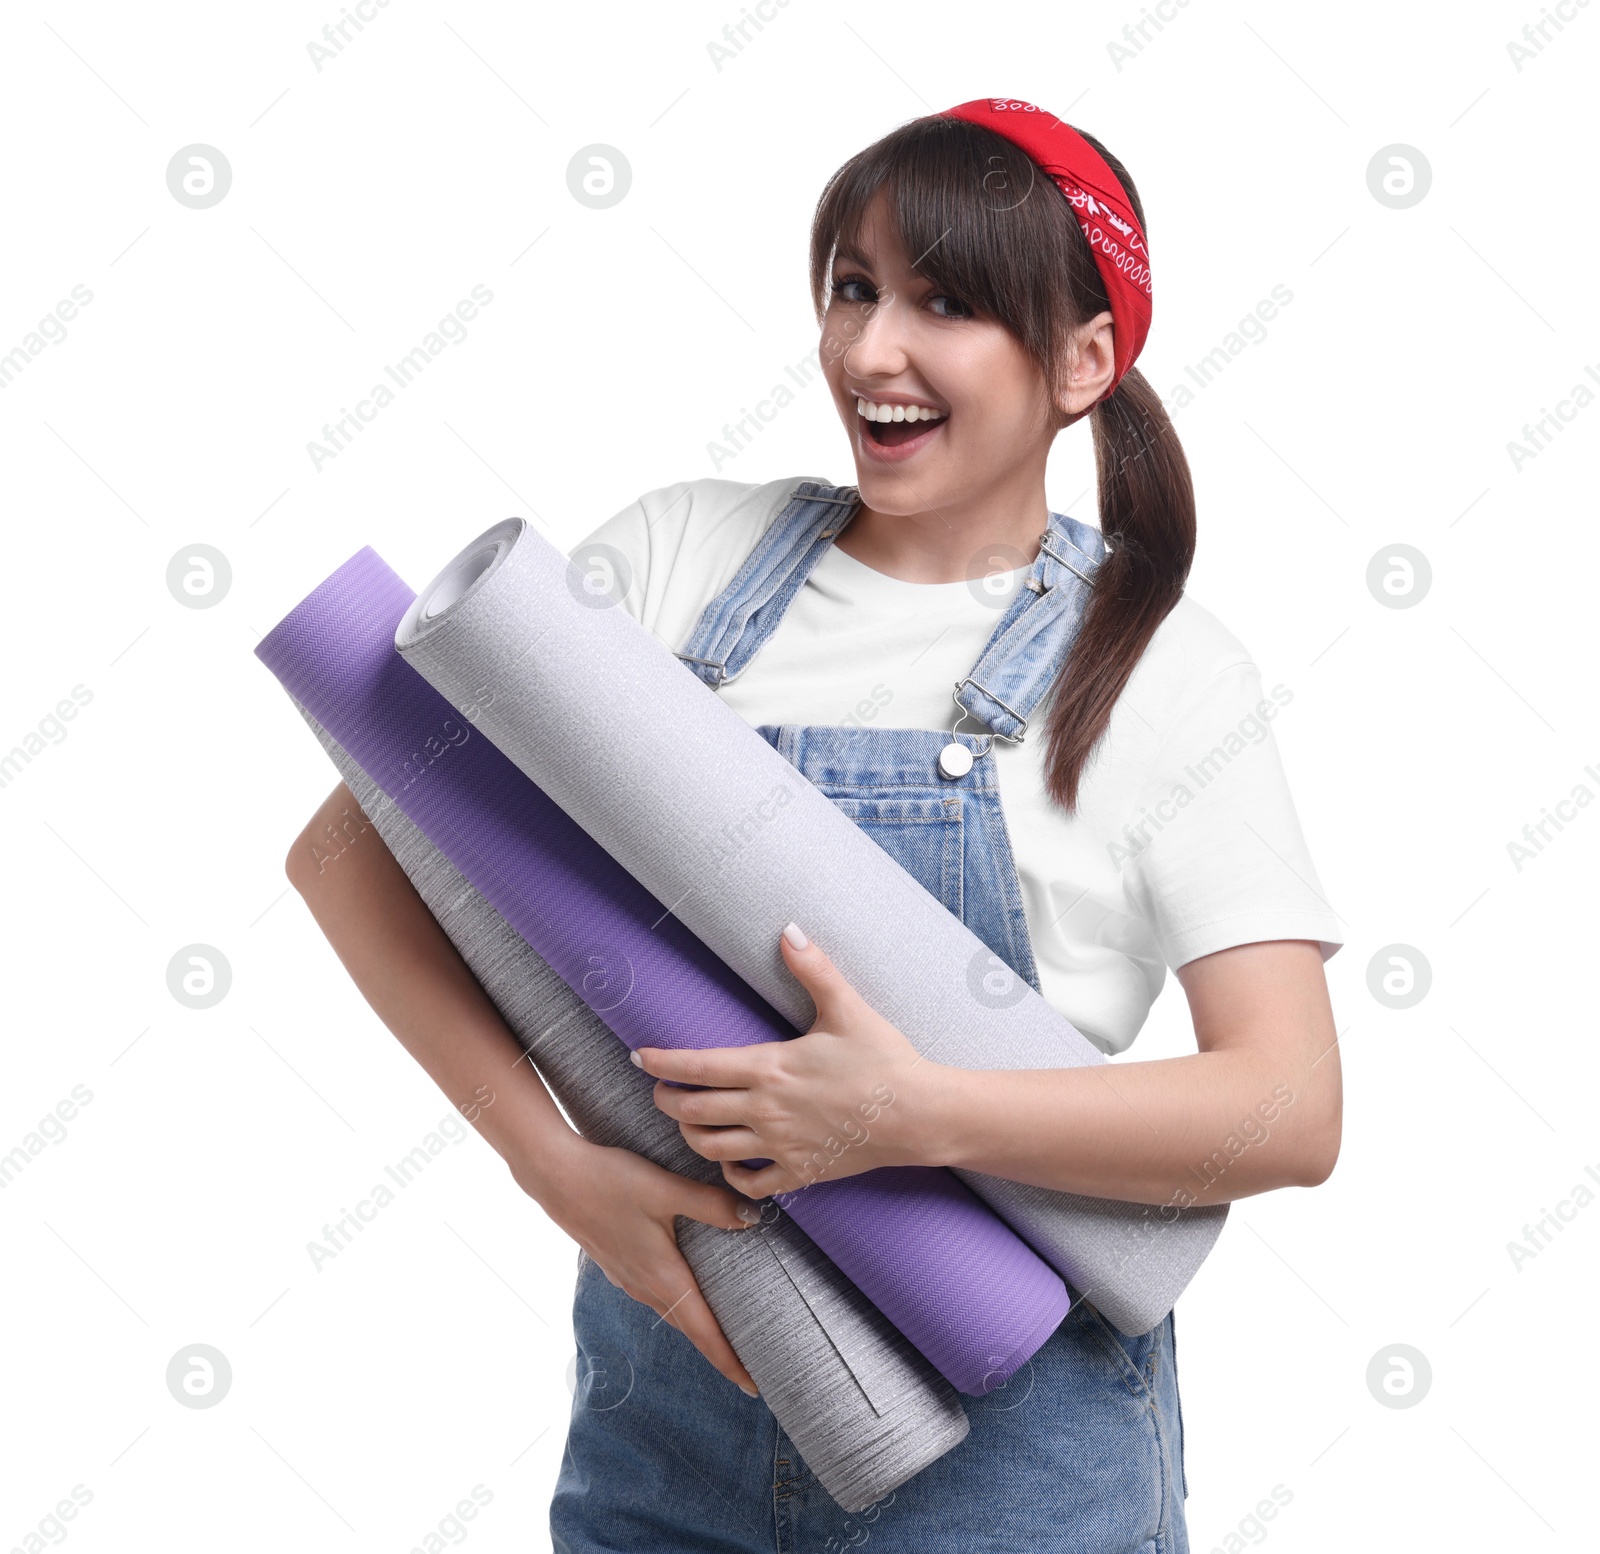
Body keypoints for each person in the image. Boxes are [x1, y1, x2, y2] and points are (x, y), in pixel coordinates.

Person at [287, 99, 1343, 1553]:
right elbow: (355, 847)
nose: (868, 351)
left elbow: (1290, 1105)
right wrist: (552, 1164)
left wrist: (915, 1113)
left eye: (947, 303)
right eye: (853, 287)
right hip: (671, 1417)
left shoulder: (1160, 666)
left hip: (1018, 1459)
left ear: (1087, 360)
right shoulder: (678, 557)